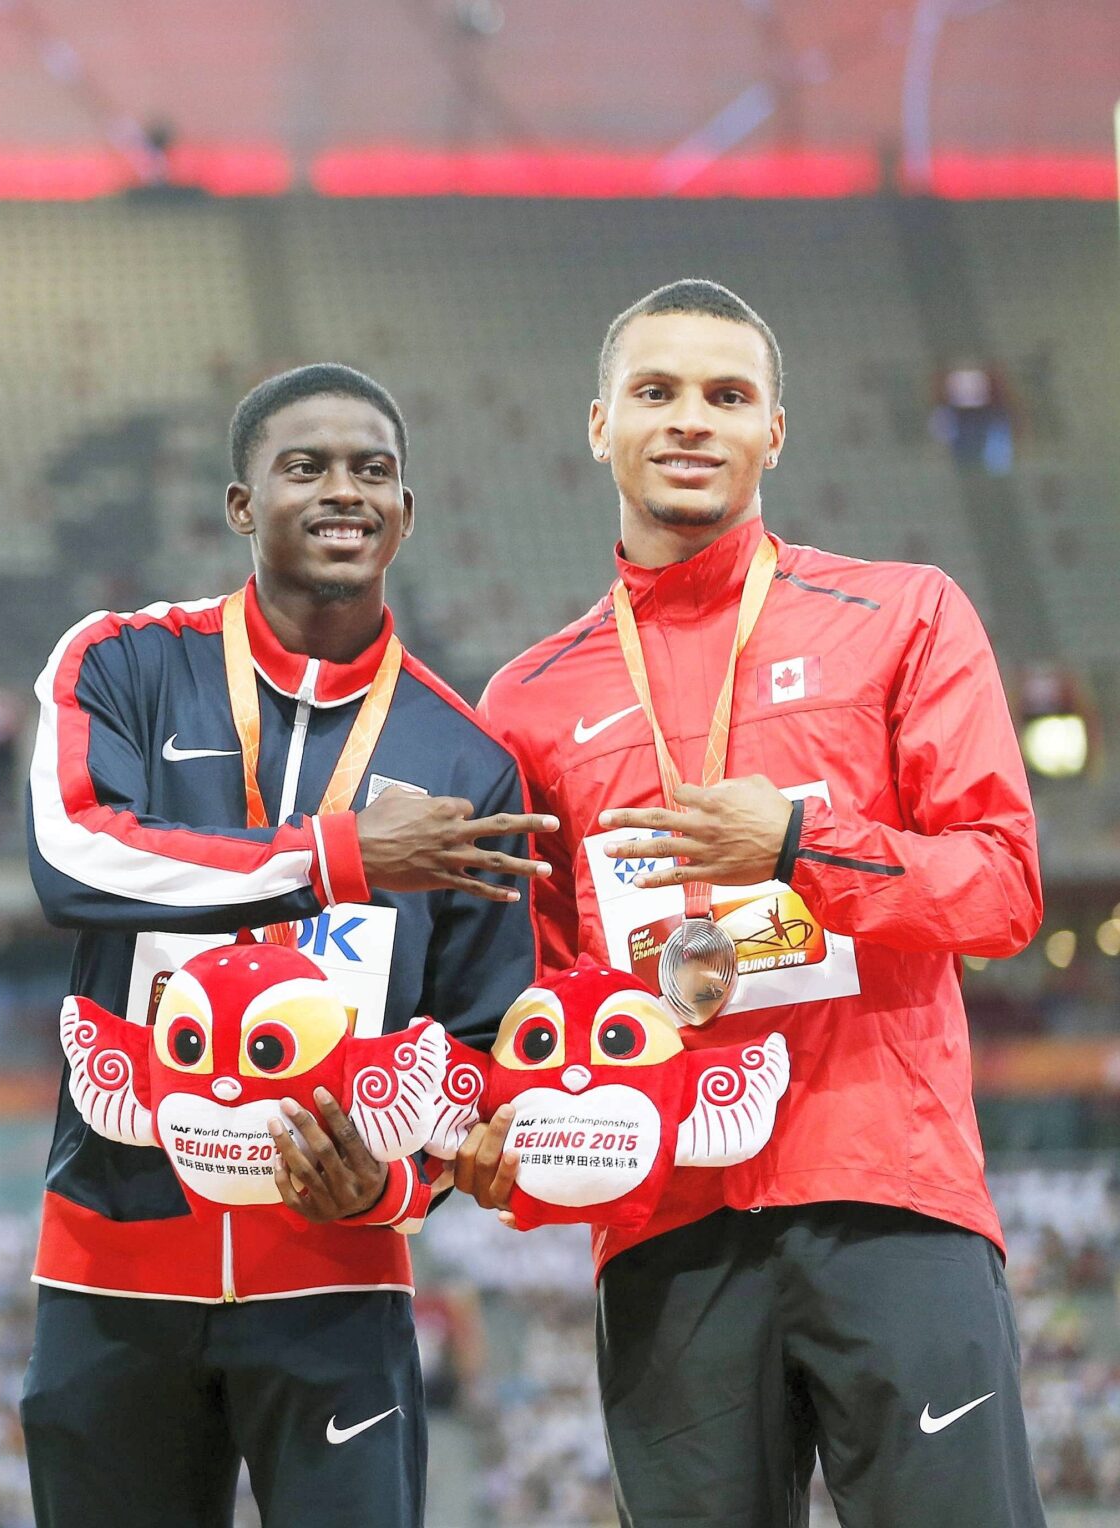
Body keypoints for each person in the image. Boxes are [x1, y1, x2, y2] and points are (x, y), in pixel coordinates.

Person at [466, 278, 1046, 1526]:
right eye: (655, 392)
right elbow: (540, 982)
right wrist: (509, 1125)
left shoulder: (902, 616)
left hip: (886, 1192)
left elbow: (1001, 884)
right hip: (663, 1218)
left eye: (727, 396)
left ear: (773, 433)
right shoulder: (526, 699)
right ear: (597, 424)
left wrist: (798, 842)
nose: (690, 420)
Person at [20, 364, 552, 1526]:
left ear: (406, 514)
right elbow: (75, 858)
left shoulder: (467, 762)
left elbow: (481, 1042)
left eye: (372, 470)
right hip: (116, 1264)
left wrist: (394, 1180)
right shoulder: (122, 663)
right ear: (239, 504)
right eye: (303, 466)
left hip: (337, 1275)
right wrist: (338, 856)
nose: (341, 491)